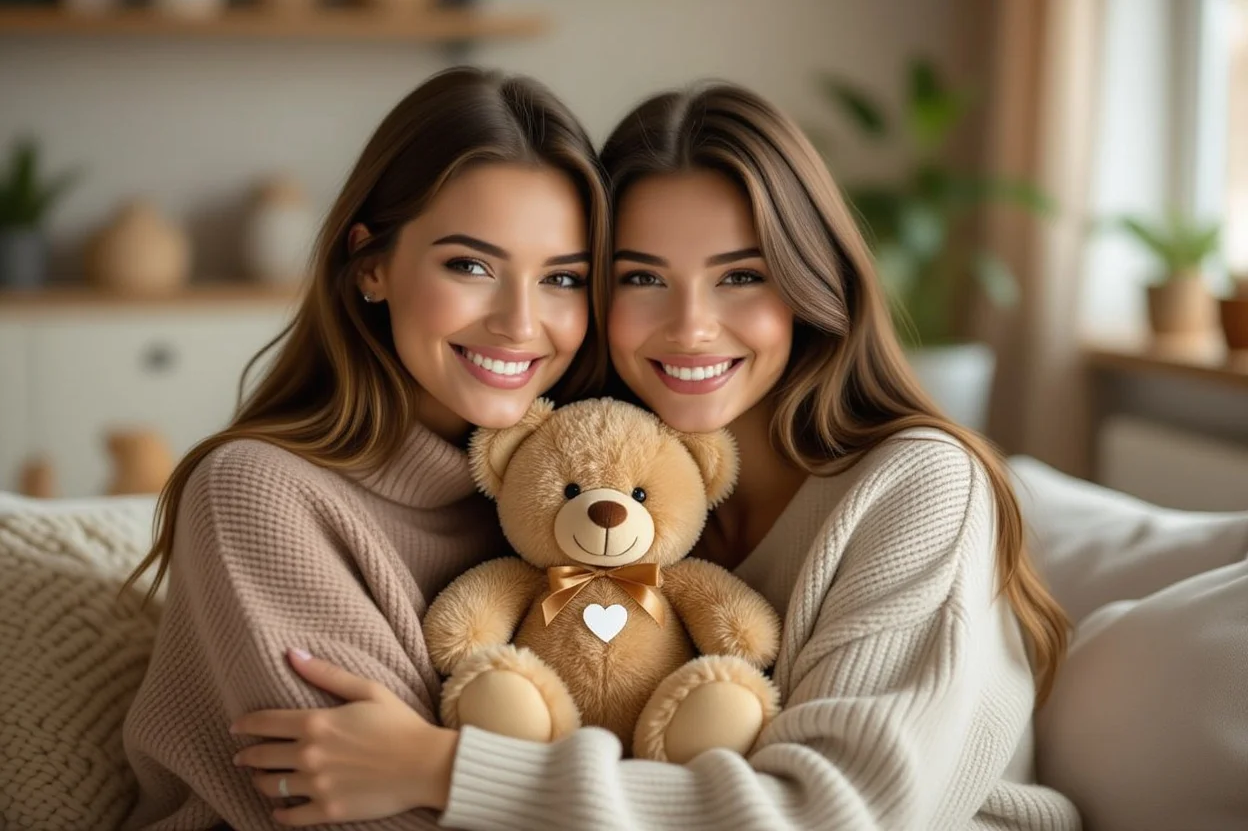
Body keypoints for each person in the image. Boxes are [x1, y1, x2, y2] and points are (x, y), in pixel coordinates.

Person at [230, 82, 1081, 830]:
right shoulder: (591, 484)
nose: (691, 327)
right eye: (641, 278)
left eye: (741, 275)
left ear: (813, 285)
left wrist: (445, 769)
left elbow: (838, 813)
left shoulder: (917, 483)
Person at [120, 66, 610, 830]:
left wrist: (439, 769)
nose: (521, 322)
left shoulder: (582, 507)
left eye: (562, 278)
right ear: (372, 265)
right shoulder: (257, 493)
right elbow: (359, 818)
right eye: (471, 266)